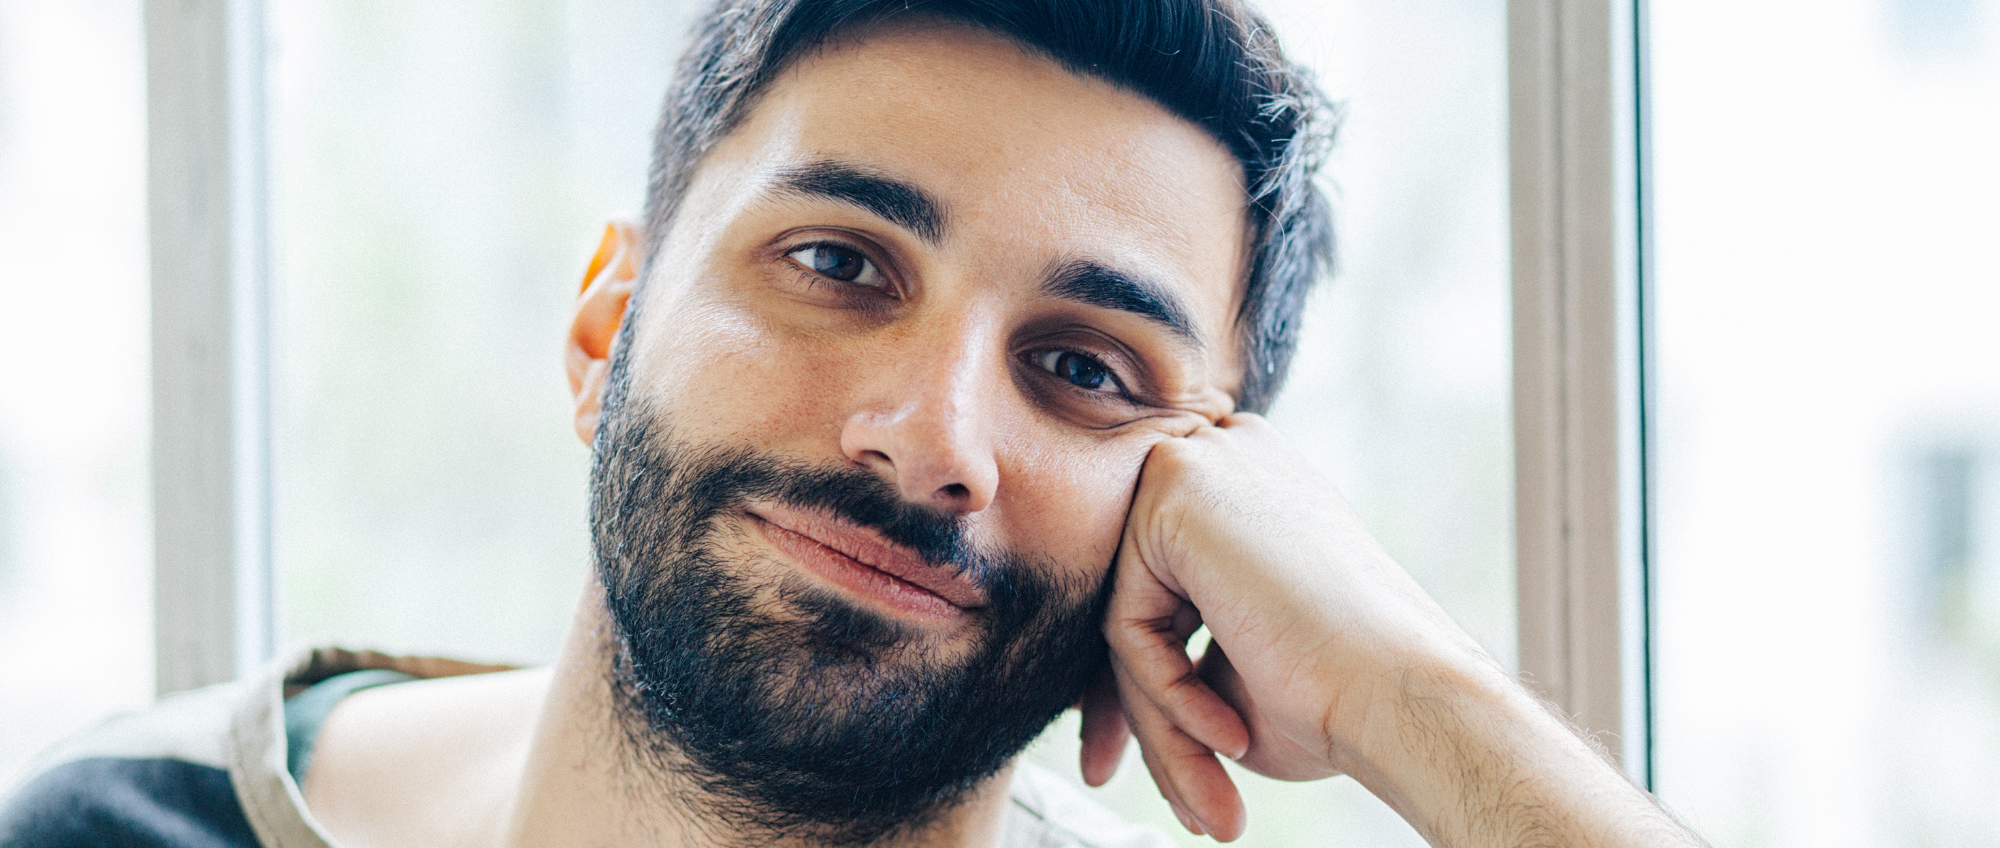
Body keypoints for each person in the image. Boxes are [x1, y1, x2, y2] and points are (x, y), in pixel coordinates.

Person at [1, 1, 1707, 846]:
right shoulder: (121, 826)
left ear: (1207, 501)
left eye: (1087, 367)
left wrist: (1428, 702)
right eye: (837, 260)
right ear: (609, 322)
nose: (926, 432)